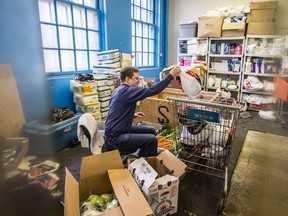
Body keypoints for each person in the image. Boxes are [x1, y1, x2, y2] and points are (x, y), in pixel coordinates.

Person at [102, 66, 181, 157]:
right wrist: (170, 75)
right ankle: (143, 163)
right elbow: (152, 90)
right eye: (136, 78)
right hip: (115, 139)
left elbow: (116, 111)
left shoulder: (118, 90)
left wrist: (132, 115)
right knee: (152, 140)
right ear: (127, 79)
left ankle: (146, 152)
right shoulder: (127, 91)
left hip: (119, 130)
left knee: (151, 130)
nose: (138, 80)